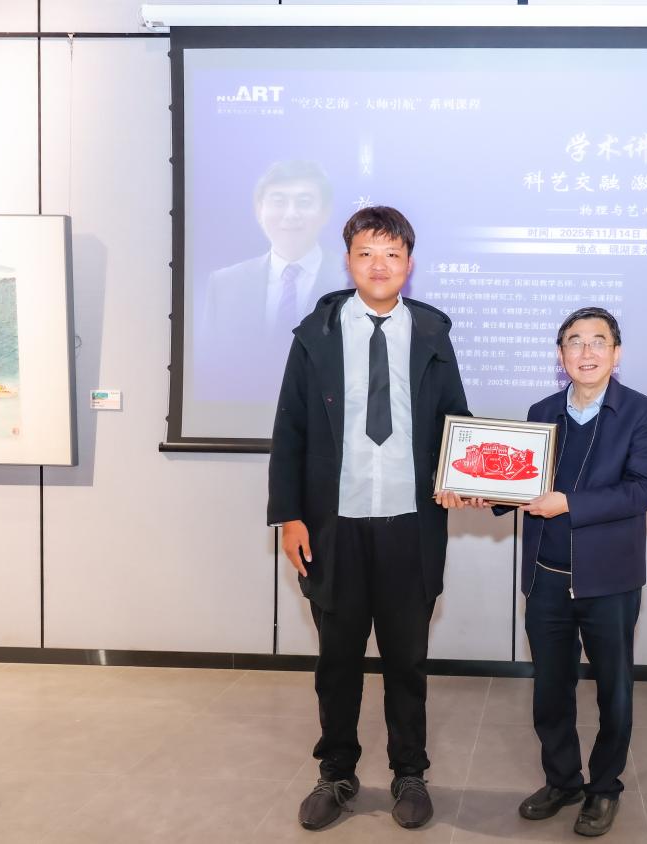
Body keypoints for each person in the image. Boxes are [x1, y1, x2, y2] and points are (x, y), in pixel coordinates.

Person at [267, 206, 471, 831]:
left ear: (409, 263)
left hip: (410, 524)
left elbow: (455, 421)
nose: (379, 265)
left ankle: (410, 772)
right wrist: (290, 516)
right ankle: (337, 772)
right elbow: (290, 431)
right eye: (366, 253)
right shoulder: (317, 334)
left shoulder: (431, 334)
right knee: (338, 661)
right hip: (336, 525)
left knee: (407, 661)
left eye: (392, 254)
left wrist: (465, 474)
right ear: (348, 260)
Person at [472, 306, 647, 837]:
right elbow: (520, 478)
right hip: (546, 577)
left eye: (598, 342)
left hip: (609, 581)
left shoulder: (641, 413)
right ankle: (563, 781)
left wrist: (569, 504)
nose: (586, 352)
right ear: (561, 356)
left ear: (616, 354)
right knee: (550, 690)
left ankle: (604, 788)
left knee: (614, 692)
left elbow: (642, 490)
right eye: (574, 342)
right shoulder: (542, 411)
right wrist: (483, 490)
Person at [198, 159, 344, 398]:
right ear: (259, 210)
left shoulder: (352, 281)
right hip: (239, 409)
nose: (291, 214)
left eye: (304, 202)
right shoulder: (224, 284)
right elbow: (210, 367)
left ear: (325, 212)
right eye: (279, 201)